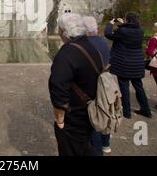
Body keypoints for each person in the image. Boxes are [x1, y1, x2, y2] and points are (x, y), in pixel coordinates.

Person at [48, 13, 102, 156]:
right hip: (89, 108)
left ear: (64, 31)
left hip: (74, 115)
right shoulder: (89, 46)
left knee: (71, 149)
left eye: (59, 29)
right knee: (84, 146)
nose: (58, 32)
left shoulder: (67, 53)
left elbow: (58, 87)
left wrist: (60, 120)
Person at [105, 12, 151, 119]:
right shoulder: (140, 31)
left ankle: (127, 112)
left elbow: (109, 34)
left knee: (124, 87)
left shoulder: (122, 31)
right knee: (139, 86)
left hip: (124, 62)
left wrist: (110, 24)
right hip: (137, 63)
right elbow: (127, 33)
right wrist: (123, 25)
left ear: (127, 20)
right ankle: (146, 110)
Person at [83, 16, 112, 155]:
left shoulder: (85, 44)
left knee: (94, 117)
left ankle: (97, 149)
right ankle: (106, 144)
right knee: (105, 112)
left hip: (92, 84)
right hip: (106, 83)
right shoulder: (103, 41)